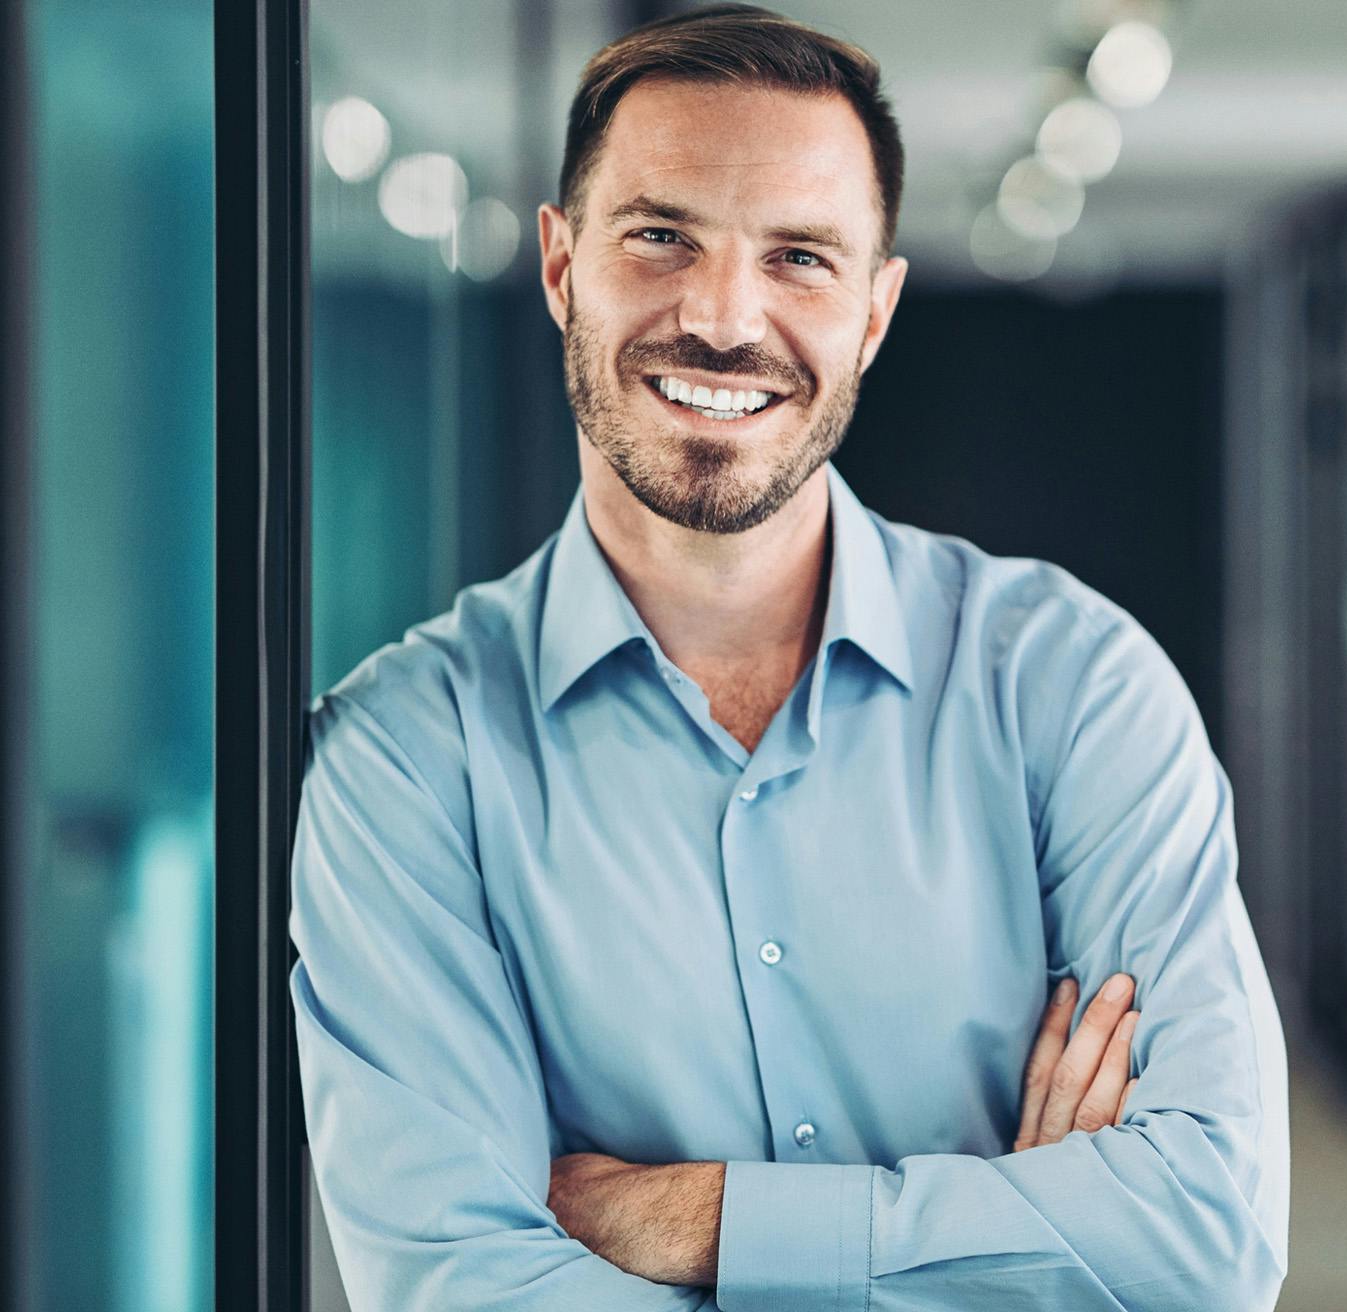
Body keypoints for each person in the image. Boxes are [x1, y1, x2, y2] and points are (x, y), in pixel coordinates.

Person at [289, 5, 1288, 1309]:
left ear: (873, 312)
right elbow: (465, 1288)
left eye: (800, 258)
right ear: (559, 266)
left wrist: (701, 1220)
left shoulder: (1074, 689)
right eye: (661, 237)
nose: (721, 317)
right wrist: (1014, 1241)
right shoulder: (406, 759)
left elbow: (1203, 1243)